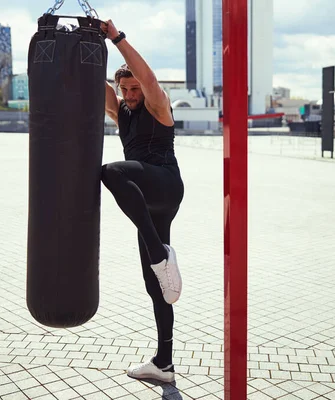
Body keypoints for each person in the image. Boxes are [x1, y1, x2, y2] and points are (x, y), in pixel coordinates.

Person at [100, 19, 184, 383]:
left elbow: (149, 81)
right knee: (156, 287)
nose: (132, 93)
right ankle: (163, 364)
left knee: (112, 172)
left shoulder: (157, 105)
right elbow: (94, 82)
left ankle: (160, 254)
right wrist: (85, 43)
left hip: (164, 184)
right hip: (148, 206)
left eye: (135, 87)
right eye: (126, 88)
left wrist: (116, 38)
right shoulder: (121, 112)